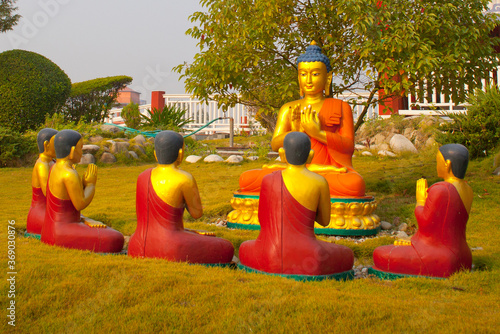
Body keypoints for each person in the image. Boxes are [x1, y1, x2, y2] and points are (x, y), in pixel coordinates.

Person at [239, 41, 365, 197]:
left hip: (327, 171)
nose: (309, 80)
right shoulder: (289, 108)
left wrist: (317, 133)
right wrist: (296, 133)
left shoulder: (340, 106)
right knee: (247, 179)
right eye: (303, 74)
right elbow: (274, 144)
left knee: (354, 184)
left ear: (328, 77)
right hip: (292, 169)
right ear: (298, 78)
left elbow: (348, 146)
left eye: (315, 74)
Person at [239, 132, 354, 278]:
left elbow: (263, 221)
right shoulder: (319, 181)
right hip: (309, 254)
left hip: (267, 253)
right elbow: (324, 221)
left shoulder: (268, 180)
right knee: (347, 254)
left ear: (282, 154)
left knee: (244, 247)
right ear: (311, 155)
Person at [128, 130, 234, 264]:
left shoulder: (142, 176)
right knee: (226, 247)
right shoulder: (184, 178)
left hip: (137, 244)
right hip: (170, 246)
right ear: (180, 153)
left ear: (156, 154)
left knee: (197, 235)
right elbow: (196, 213)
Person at [372, 144, 473, 278]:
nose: (437, 165)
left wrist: (420, 201)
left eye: (438, 162)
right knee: (397, 248)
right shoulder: (468, 190)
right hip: (463, 256)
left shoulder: (441, 190)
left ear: (447, 165)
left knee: (380, 253)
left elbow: (425, 223)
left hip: (439, 256)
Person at [41, 130, 124, 253]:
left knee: (102, 229)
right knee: (115, 238)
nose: (82, 152)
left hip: (49, 229)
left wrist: (83, 185)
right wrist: (91, 184)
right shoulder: (69, 173)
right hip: (63, 231)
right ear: (73, 151)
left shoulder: (54, 167)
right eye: (81, 148)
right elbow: (80, 203)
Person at [27, 128, 58, 235]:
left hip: (52, 210)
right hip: (40, 212)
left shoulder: (53, 162)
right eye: (56, 143)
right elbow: (48, 193)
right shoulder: (42, 164)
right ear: (46, 145)